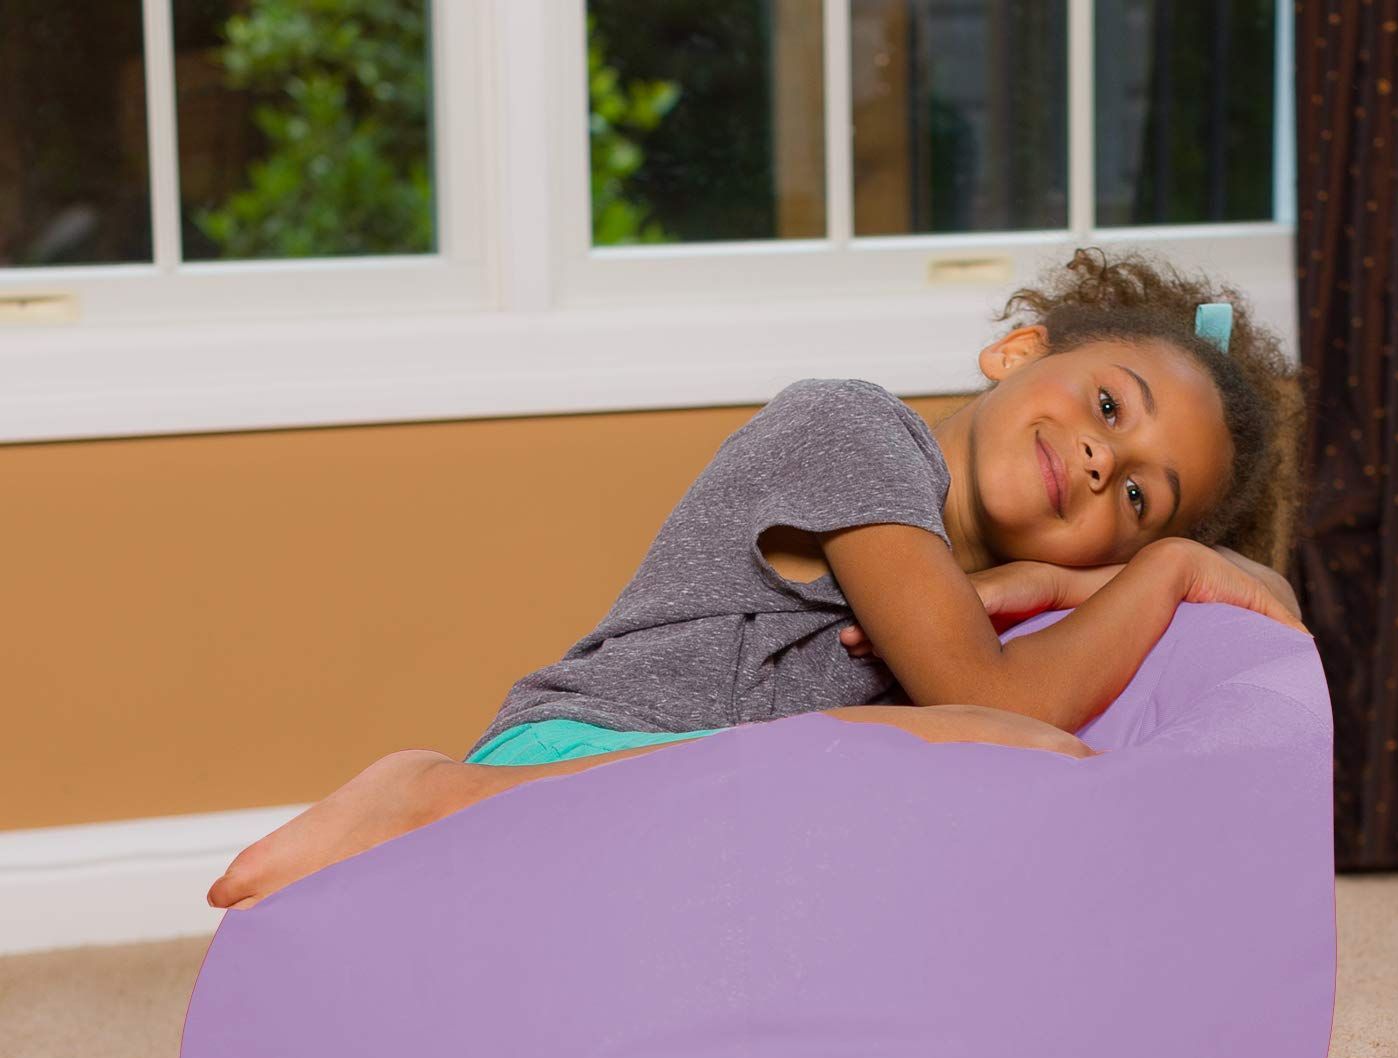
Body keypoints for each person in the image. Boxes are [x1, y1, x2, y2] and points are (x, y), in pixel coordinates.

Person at [207, 248, 1311, 912]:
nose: (1103, 458)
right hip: (581, 760)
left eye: (1140, 497)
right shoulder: (852, 430)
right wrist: (1167, 566)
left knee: (941, 780)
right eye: (1109, 405)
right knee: (983, 746)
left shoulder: (999, 599)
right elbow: (996, 704)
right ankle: (431, 793)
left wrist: (1077, 592)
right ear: (1017, 354)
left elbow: (1276, 620)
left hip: (711, 837)